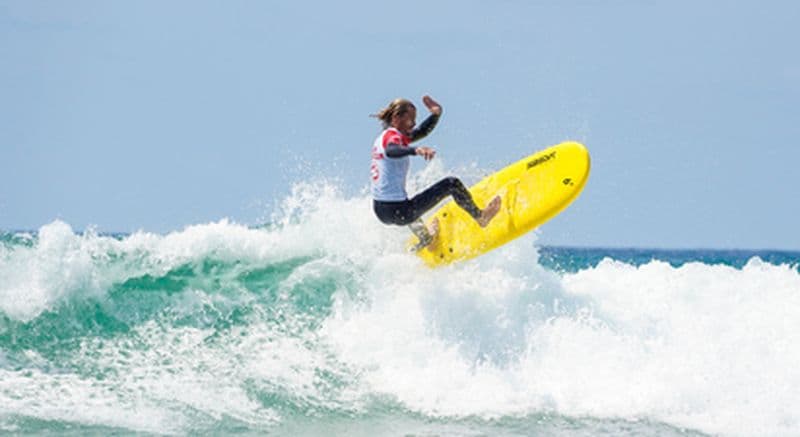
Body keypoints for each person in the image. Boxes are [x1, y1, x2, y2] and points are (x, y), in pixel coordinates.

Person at [370, 95, 501, 248]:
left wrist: (435, 114)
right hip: (399, 211)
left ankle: (426, 239)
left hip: (381, 211)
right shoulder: (392, 138)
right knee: (451, 184)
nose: (414, 123)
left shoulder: (385, 137)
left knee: (406, 201)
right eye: (410, 119)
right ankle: (481, 217)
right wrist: (416, 150)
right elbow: (392, 150)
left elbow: (420, 132)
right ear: (396, 118)